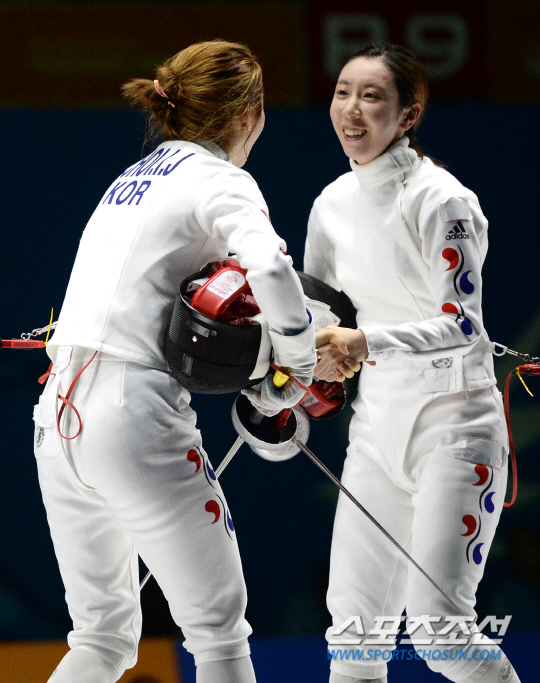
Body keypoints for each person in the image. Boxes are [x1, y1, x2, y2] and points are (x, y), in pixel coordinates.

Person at [34, 40, 315, 683]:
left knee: (101, 640)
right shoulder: (219, 177)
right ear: (248, 114)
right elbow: (270, 268)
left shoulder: (133, 177)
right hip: (132, 419)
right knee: (219, 635)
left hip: (57, 420)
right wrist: (298, 366)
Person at [306, 44, 520, 683]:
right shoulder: (331, 204)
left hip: (455, 427)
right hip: (377, 432)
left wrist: (363, 343)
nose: (352, 109)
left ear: (408, 115)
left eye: (371, 96)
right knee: (354, 641)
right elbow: (318, 317)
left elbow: (463, 325)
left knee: (442, 636)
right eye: (343, 92)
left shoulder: (442, 199)